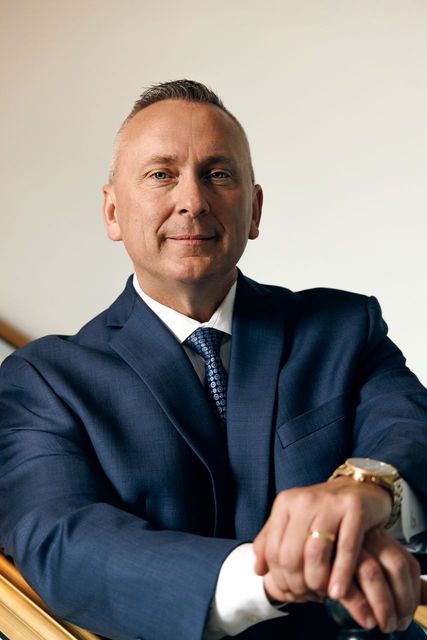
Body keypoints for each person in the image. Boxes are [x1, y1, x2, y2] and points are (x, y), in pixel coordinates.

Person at [0, 79, 426, 640]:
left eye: (218, 174)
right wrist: (272, 577)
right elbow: (61, 540)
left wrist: (367, 487)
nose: (193, 200)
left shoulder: (345, 328)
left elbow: (411, 431)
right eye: (161, 175)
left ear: (253, 210)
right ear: (111, 212)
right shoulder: (41, 380)